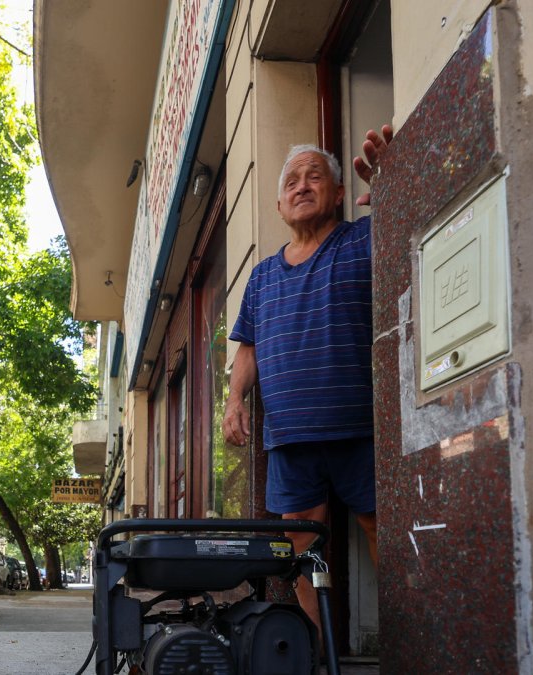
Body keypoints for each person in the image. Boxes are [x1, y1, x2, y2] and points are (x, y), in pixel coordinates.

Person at [223, 126, 394, 633]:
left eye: (314, 177)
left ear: (338, 193)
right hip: (290, 438)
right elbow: (247, 348)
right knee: (300, 548)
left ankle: (406, 647)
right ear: (278, 204)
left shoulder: (361, 239)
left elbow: (411, 232)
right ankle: (313, 653)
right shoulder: (261, 276)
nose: (301, 186)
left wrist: (393, 184)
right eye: (291, 181)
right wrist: (234, 401)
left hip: (361, 428)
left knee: (381, 529)